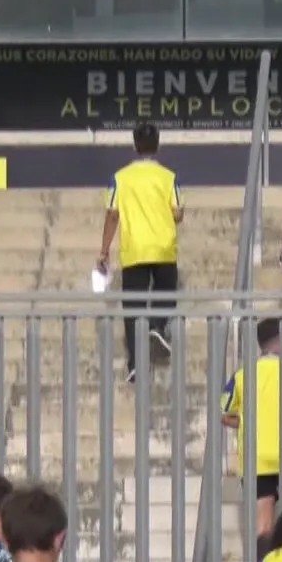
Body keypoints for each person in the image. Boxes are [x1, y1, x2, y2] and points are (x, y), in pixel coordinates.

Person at [98, 122, 183, 381]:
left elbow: (112, 215)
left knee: (133, 307)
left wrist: (103, 251)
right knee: (166, 293)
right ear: (157, 145)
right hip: (163, 248)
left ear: (135, 146)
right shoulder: (168, 177)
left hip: (134, 250)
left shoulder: (120, 177)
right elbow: (178, 213)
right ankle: (157, 326)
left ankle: (135, 365)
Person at [220, 318, 282, 537]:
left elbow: (224, 414)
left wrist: (244, 421)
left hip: (257, 459)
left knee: (264, 526)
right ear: (279, 340)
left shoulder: (242, 375)